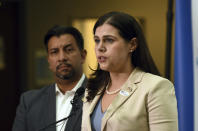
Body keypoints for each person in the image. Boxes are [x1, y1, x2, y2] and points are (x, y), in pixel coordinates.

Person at [81, 11, 178, 131]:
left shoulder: (156, 87)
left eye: (109, 40)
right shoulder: (92, 88)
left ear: (132, 44)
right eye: (97, 40)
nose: (100, 47)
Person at [12, 25, 87, 131]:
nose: (62, 58)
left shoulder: (100, 96)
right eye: (54, 52)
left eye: (69, 50)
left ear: (83, 56)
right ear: (48, 60)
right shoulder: (29, 102)